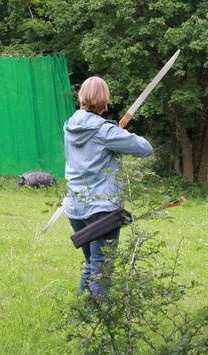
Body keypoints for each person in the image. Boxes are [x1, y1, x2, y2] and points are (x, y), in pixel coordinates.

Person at [63, 76, 153, 297]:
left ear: (82, 97)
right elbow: (145, 147)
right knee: (101, 269)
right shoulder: (104, 131)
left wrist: (113, 130)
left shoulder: (69, 125)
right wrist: (117, 132)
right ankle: (97, 320)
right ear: (105, 100)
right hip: (101, 210)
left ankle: (82, 316)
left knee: (93, 264)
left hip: (75, 208)